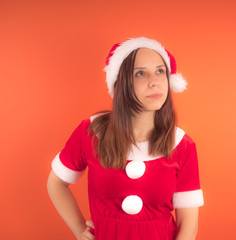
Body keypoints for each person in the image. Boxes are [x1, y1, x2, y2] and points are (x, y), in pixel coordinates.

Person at [47, 37, 204, 240]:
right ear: (121, 82)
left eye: (160, 71)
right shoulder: (92, 132)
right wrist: (79, 230)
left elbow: (188, 227)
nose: (154, 81)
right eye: (140, 73)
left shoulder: (182, 145)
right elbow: (56, 183)